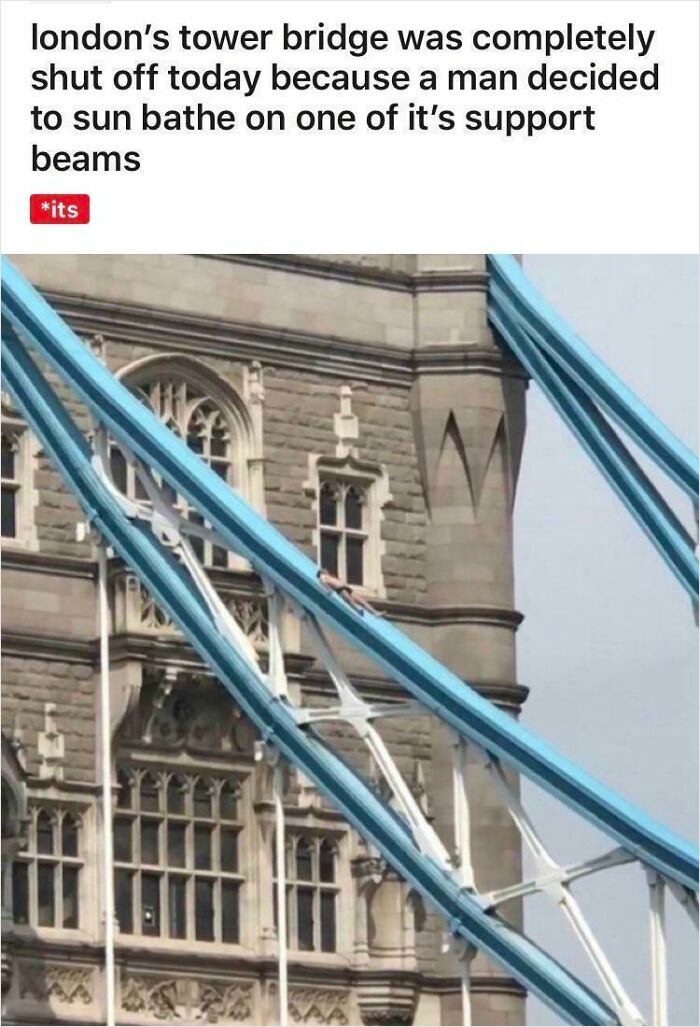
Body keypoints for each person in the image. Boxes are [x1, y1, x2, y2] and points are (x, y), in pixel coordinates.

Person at [317, 568, 384, 616]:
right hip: (340, 589)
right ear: (322, 572)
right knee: (350, 600)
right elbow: (325, 583)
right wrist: (329, 590)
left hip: (346, 588)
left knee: (362, 601)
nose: (326, 570)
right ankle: (358, 610)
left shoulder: (330, 576)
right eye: (324, 570)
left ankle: (375, 612)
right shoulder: (322, 577)